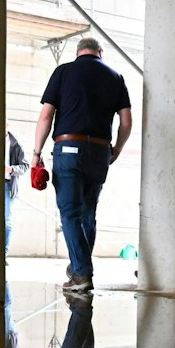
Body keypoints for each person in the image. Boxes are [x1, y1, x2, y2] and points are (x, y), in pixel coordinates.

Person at [32, 38, 133, 292]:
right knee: (88, 213)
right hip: (100, 152)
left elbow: (46, 115)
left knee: (69, 213)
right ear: (100, 53)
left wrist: (36, 152)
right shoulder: (116, 77)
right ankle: (78, 265)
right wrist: (118, 148)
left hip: (68, 148)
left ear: (78, 53)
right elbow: (127, 122)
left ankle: (81, 274)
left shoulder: (63, 71)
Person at [3, 129, 27, 254]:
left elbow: (25, 166)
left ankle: (3, 254)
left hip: (8, 186)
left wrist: (11, 169)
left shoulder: (16, 144)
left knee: (7, 221)